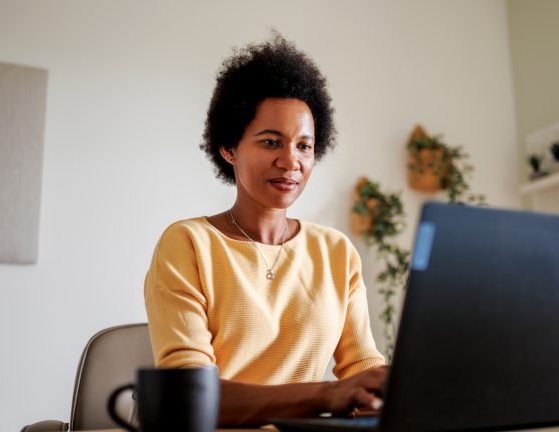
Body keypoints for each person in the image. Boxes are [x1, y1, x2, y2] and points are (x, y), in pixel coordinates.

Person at [144, 34, 387, 427]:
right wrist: (326, 394)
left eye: (304, 146)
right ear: (229, 148)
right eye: (271, 141)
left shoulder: (336, 252)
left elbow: (362, 366)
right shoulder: (188, 244)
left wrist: (389, 391)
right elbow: (188, 398)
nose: (291, 161)